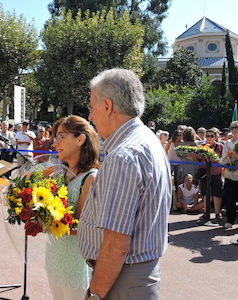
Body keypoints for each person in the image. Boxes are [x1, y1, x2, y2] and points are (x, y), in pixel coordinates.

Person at [79, 68, 171, 300]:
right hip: (134, 276)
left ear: (108, 106)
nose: (90, 116)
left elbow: (116, 245)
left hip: (120, 280)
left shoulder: (124, 155)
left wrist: (95, 295)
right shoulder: (148, 141)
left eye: (92, 106)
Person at [46, 116, 99, 300]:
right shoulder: (60, 175)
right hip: (54, 258)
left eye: (61, 137)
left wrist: (48, 221)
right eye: (55, 138)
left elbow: (83, 227)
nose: (55, 143)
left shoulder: (91, 178)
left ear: (80, 139)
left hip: (77, 262)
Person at [195, 128, 223, 224]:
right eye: (207, 136)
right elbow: (197, 158)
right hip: (204, 172)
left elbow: (221, 159)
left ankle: (217, 214)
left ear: (215, 137)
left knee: (216, 194)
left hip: (215, 173)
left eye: (211, 136)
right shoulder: (201, 146)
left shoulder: (220, 146)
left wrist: (212, 158)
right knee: (205, 194)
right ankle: (206, 213)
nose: (209, 138)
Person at [220, 121, 238, 231]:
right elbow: (223, 159)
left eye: (237, 127)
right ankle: (230, 220)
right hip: (230, 175)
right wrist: (229, 159)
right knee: (229, 199)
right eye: (232, 127)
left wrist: (237, 156)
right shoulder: (227, 143)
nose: (234, 129)